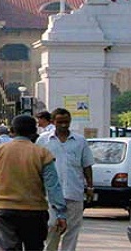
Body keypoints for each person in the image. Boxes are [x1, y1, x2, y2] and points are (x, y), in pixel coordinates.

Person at [0, 115, 67, 251]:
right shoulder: (42, 154)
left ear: (12, 130)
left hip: (3, 210)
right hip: (35, 212)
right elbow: (53, 186)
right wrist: (60, 213)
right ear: (34, 132)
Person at [36, 108, 94, 251]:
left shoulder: (80, 141)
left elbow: (87, 165)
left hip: (74, 192)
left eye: (66, 122)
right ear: (53, 122)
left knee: (72, 231)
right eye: (60, 122)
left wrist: (90, 187)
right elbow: (36, 165)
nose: (63, 125)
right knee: (52, 227)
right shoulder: (43, 140)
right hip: (50, 194)